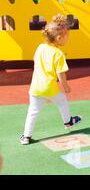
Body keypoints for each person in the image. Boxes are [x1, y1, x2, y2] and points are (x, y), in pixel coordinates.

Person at [20, 14, 82, 145]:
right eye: (67, 37)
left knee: (32, 112)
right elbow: (61, 73)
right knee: (62, 102)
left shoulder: (40, 48)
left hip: (35, 87)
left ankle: (26, 136)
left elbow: (36, 62)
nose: (67, 40)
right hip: (50, 87)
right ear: (59, 38)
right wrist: (65, 86)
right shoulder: (58, 53)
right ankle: (68, 121)